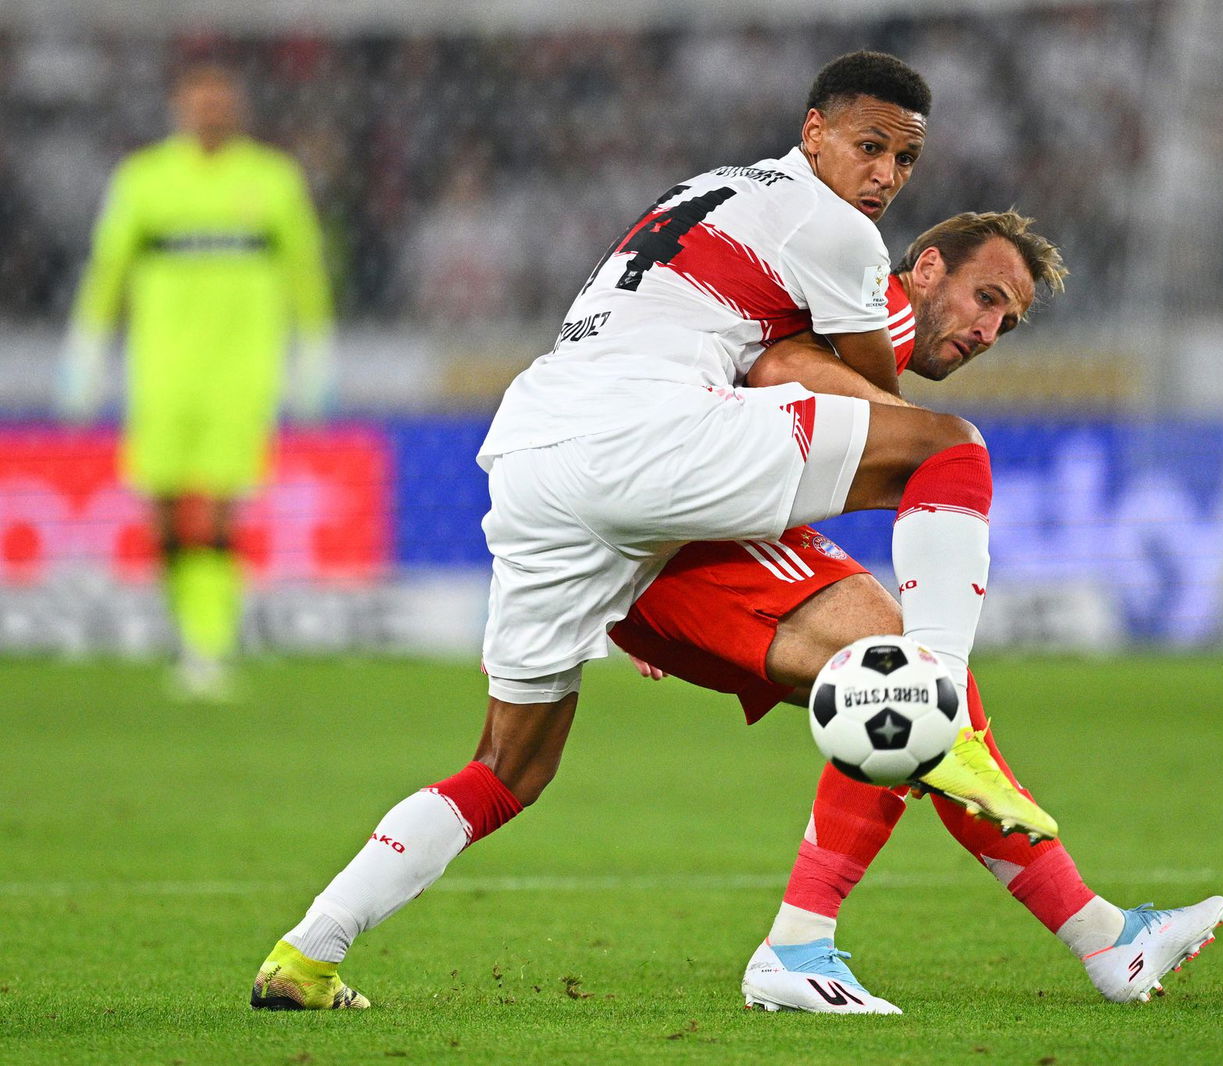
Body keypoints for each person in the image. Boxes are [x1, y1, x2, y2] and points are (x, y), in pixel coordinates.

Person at [252, 50, 1056, 1011]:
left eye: (904, 162)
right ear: (814, 134)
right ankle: (935, 697)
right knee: (946, 450)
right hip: (650, 431)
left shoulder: (711, 186)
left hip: (533, 452)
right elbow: (874, 393)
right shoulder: (836, 230)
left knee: (508, 767)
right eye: (869, 146)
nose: (884, 175)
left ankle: (307, 954)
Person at [610, 211, 1223, 1011]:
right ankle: (799, 944)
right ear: (929, 268)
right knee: (915, 679)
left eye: (1007, 321)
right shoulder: (881, 310)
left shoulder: (861, 330)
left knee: (920, 691)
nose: (989, 329)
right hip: (680, 533)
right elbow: (772, 368)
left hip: (663, 530)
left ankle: (1105, 938)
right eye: (986, 297)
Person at [57, 63, 335, 698]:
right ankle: (186, 633)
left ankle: (209, 645)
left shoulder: (272, 180)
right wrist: (88, 350)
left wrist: (314, 351)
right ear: (179, 108)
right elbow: (108, 270)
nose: (209, 112)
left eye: (220, 101)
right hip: (159, 371)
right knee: (161, 510)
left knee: (212, 507)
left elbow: (304, 271)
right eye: (198, 102)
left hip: (240, 373)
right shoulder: (144, 180)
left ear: (235, 108)